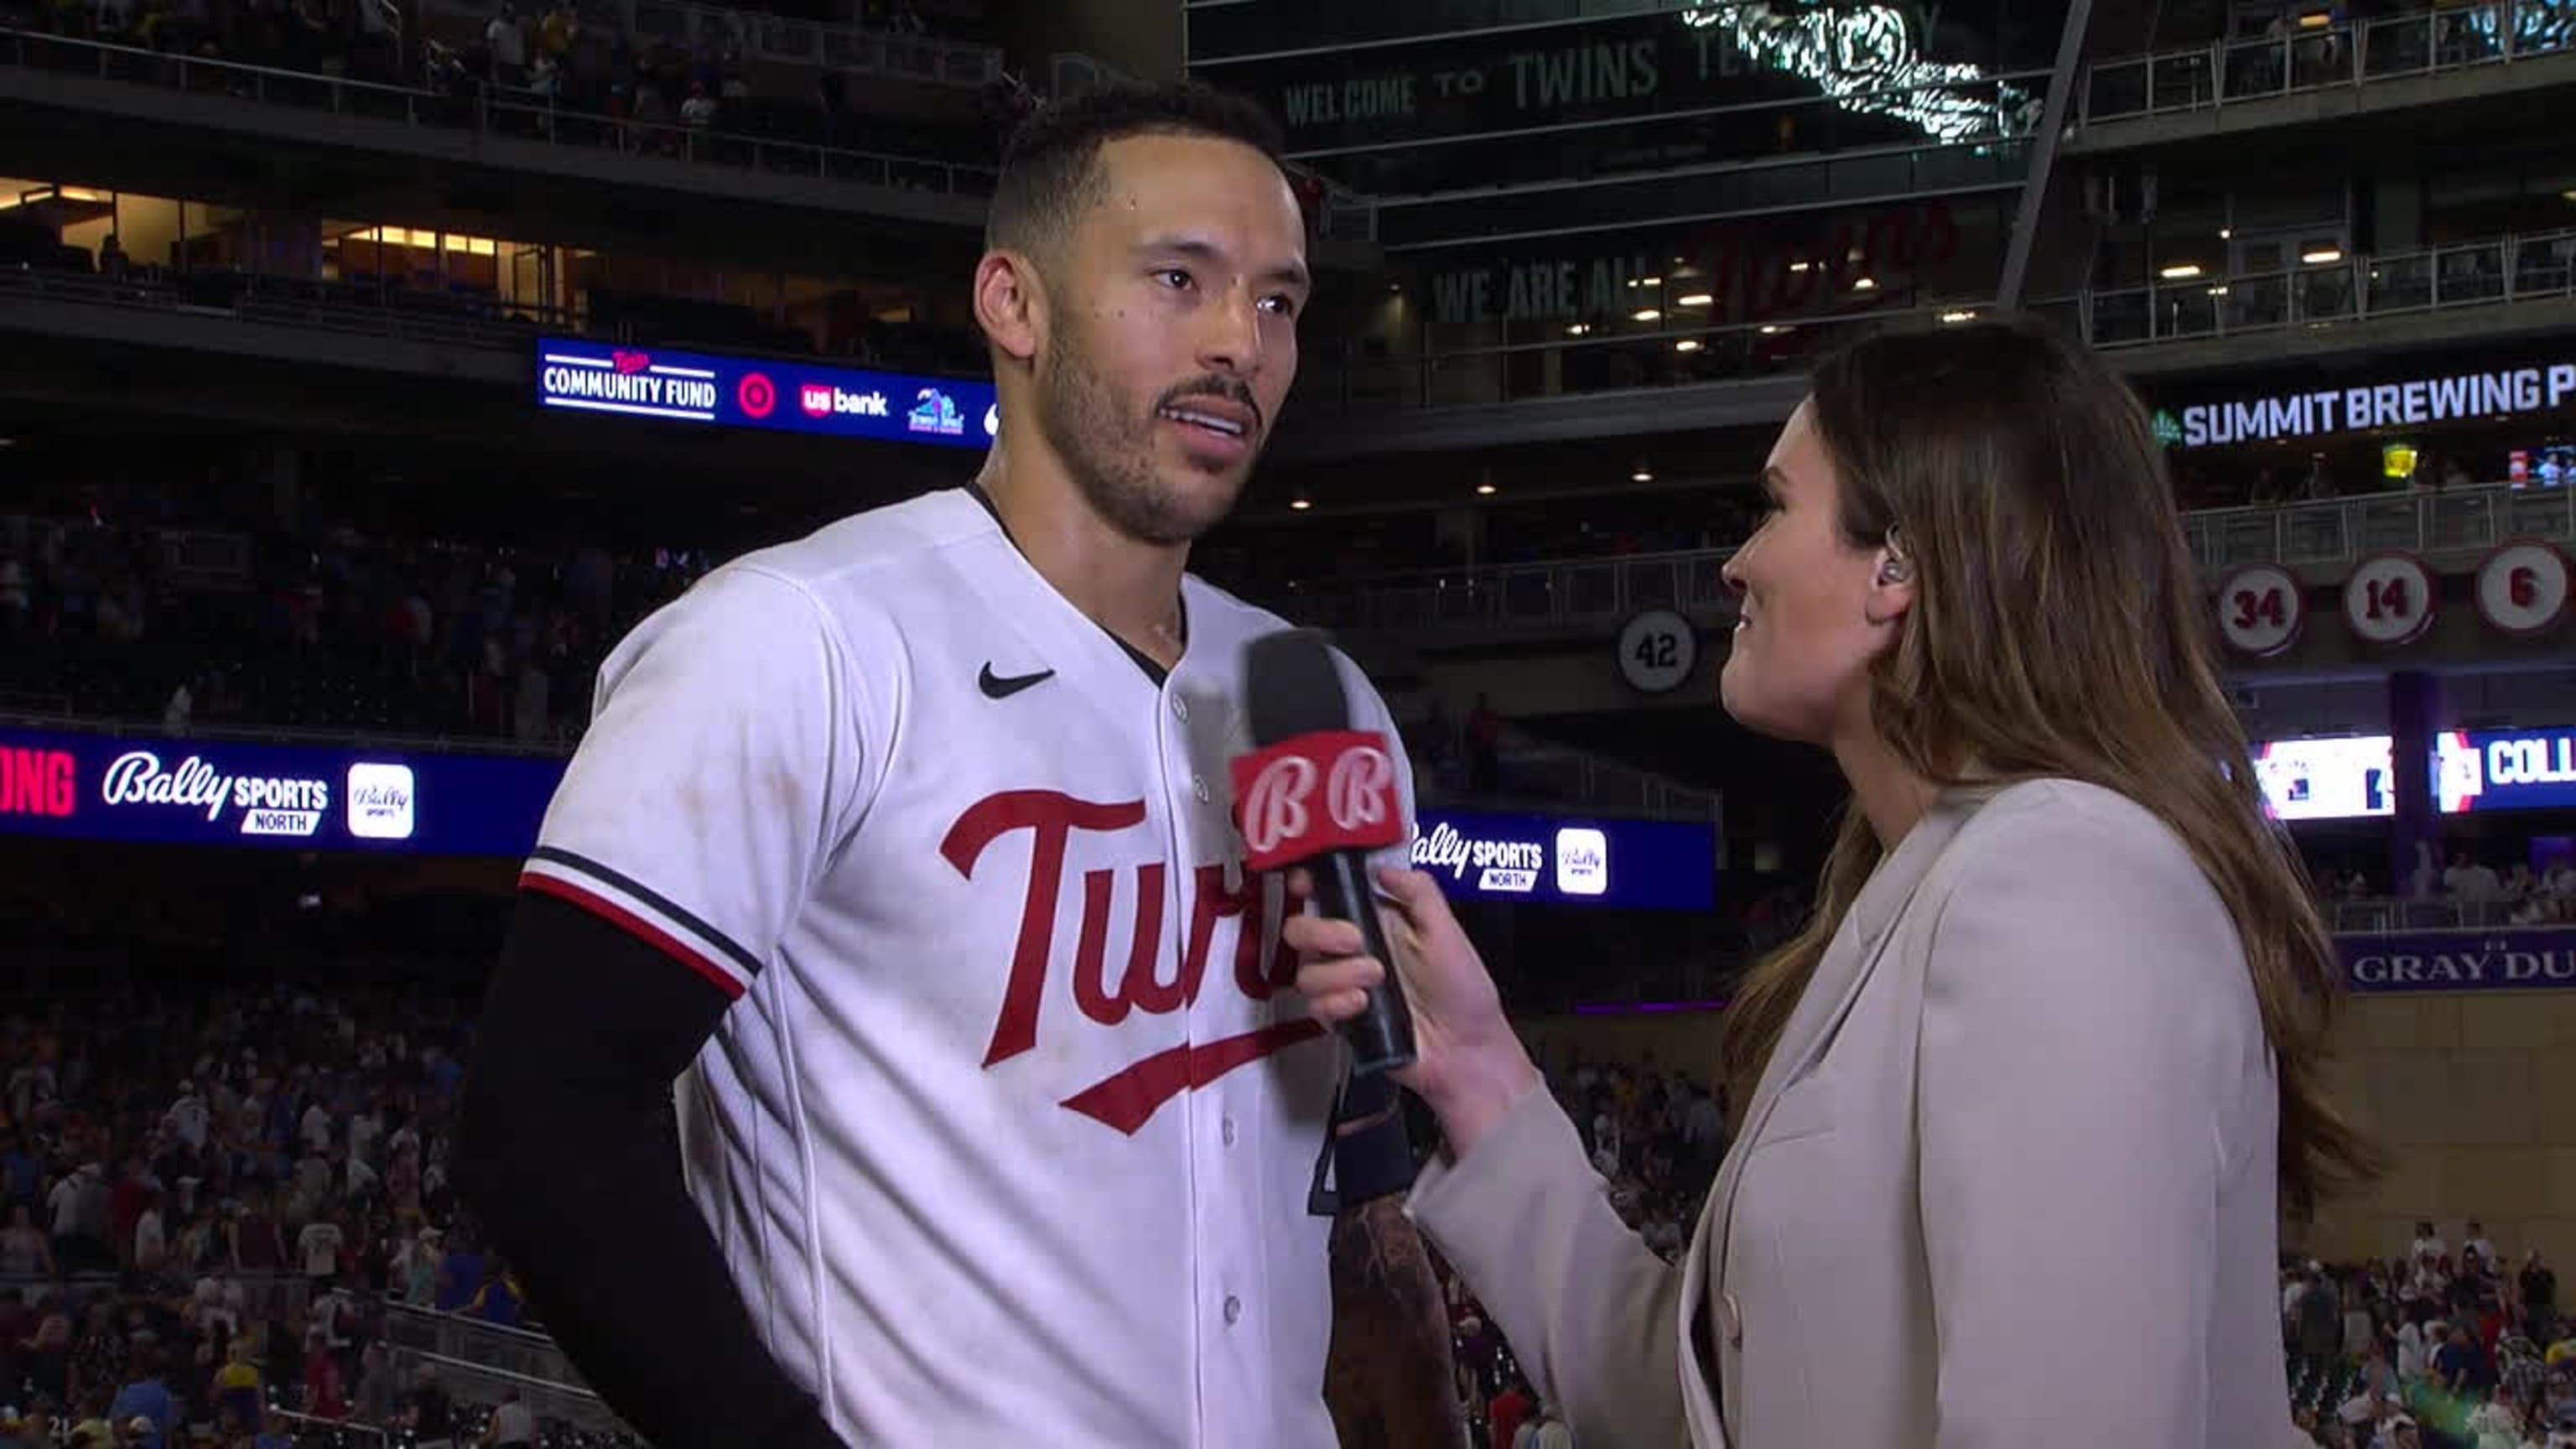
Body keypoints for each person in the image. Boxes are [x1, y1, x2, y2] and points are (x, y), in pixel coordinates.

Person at [457, 79, 1446, 1446]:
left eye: (1278, 303)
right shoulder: (797, 640)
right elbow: (541, 1120)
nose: (1241, 344)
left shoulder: (1311, 693)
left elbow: (1359, 1192)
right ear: (1013, 304)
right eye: (1180, 279)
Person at [1285, 319, 2383, 1446]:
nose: (1738, 561)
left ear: (1897, 567)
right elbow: (1703, 1412)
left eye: (1773, 507)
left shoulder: (2065, 884)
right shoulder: (1933, 887)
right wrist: (1480, 1073)